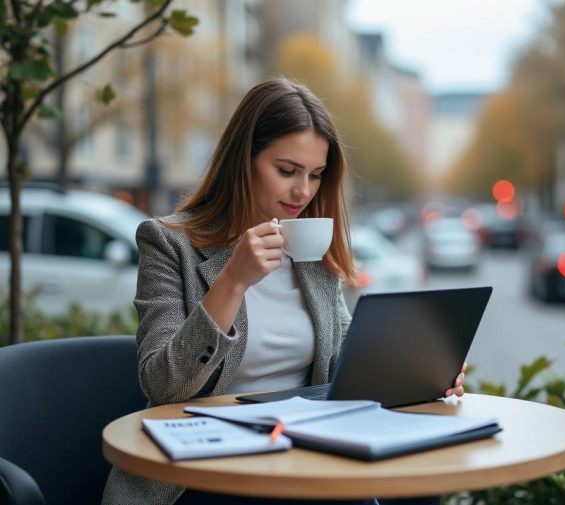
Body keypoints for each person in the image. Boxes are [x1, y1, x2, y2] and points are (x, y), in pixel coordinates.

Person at [101, 78, 465, 505]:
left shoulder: (311, 249)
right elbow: (164, 384)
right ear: (243, 160)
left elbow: (344, 358)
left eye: (315, 175)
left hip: (302, 458)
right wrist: (233, 281)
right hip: (203, 473)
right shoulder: (168, 243)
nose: (303, 192)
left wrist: (417, 373)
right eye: (287, 171)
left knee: (418, 487)